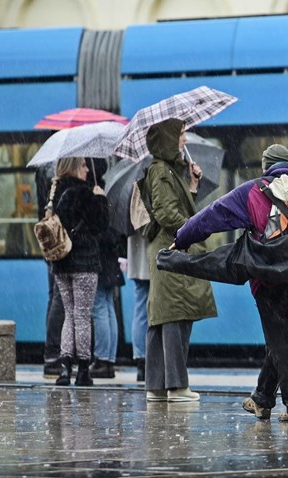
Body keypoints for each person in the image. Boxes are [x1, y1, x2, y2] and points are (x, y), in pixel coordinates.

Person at [172, 144, 288, 421]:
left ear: (266, 166)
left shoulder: (254, 190)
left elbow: (213, 215)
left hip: (268, 276)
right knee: (280, 337)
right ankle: (262, 397)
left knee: (279, 340)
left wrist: (182, 238)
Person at [141, 118, 217, 403]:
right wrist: (194, 228)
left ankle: (158, 386)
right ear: (169, 140)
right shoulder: (160, 172)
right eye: (181, 134)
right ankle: (176, 386)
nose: (184, 139)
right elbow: (166, 214)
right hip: (171, 248)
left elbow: (173, 207)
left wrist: (193, 185)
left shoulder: (168, 171)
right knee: (175, 314)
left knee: (163, 316)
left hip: (167, 249)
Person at [51, 156, 109, 386]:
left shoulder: (55, 191)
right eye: (83, 165)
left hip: (62, 262)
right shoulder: (86, 192)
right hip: (84, 261)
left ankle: (65, 368)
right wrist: (101, 200)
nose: (87, 169)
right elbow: (100, 226)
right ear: (75, 167)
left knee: (69, 314)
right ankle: (83, 369)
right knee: (83, 316)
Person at [89, 160, 126, 380]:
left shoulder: (99, 195)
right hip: (110, 259)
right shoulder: (113, 189)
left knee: (99, 308)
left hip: (100, 259)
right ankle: (109, 358)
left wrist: (97, 201)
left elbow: (101, 229)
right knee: (107, 307)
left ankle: (102, 359)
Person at [36, 162, 65, 378]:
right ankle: (54, 354)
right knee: (58, 298)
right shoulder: (57, 171)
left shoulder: (45, 167)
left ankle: (52, 354)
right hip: (61, 244)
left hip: (51, 243)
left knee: (53, 296)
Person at [127, 229, 150, 382]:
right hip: (154, 250)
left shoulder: (131, 204)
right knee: (157, 310)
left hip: (136, 248)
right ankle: (153, 361)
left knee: (140, 308)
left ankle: (141, 361)